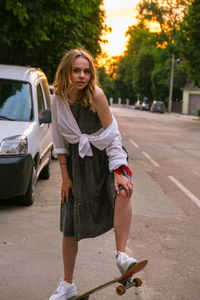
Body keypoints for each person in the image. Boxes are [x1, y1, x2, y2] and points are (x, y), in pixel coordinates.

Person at [49, 48, 137, 300]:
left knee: (123, 192)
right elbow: (59, 142)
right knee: (69, 225)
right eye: (76, 70)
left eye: (86, 71)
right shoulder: (58, 100)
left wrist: (119, 171)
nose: (82, 76)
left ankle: (121, 256)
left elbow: (112, 137)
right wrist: (65, 178)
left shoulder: (96, 96)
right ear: (66, 72)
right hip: (77, 166)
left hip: (105, 158)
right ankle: (67, 285)